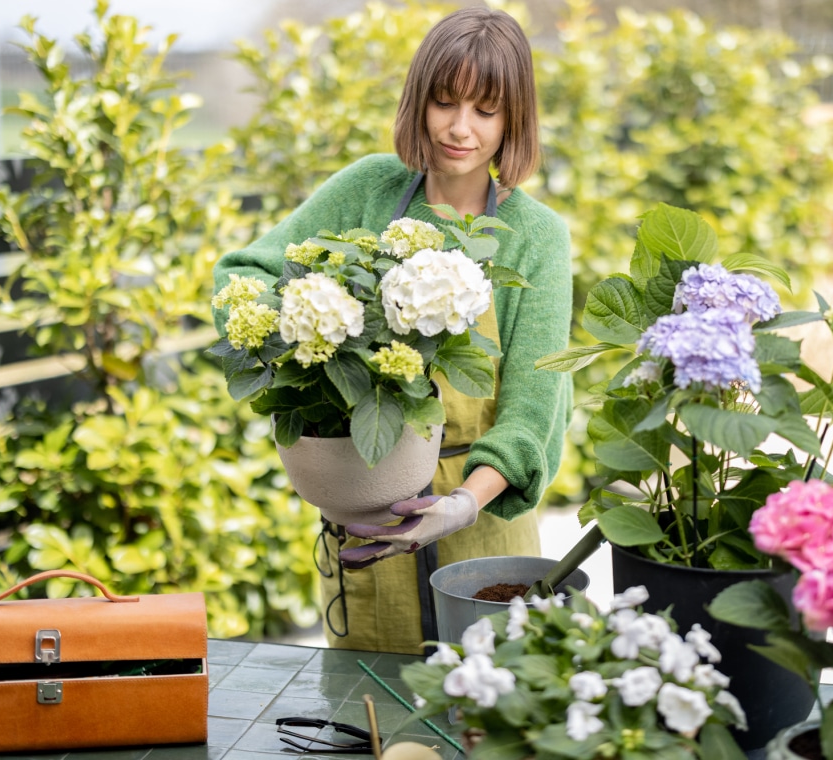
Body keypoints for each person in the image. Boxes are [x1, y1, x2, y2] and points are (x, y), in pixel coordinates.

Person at [212, 6, 572, 654]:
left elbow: (533, 410)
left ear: (514, 118)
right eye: (444, 101)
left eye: (486, 110)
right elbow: (243, 272)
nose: (460, 128)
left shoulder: (536, 236)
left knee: (486, 728)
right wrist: (293, 337)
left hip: (482, 541)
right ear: (419, 102)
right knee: (366, 727)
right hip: (366, 529)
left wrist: (459, 505)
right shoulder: (370, 191)